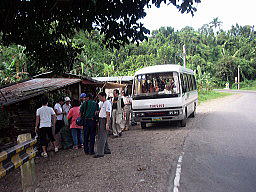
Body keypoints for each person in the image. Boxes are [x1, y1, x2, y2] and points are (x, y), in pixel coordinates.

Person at [94, 92, 111, 158]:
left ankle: (100, 152)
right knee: (103, 135)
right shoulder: (103, 103)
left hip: (104, 120)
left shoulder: (107, 103)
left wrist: (107, 123)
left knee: (102, 136)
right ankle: (106, 149)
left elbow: (108, 114)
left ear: (103, 96)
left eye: (99, 97)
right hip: (101, 119)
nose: (99, 98)